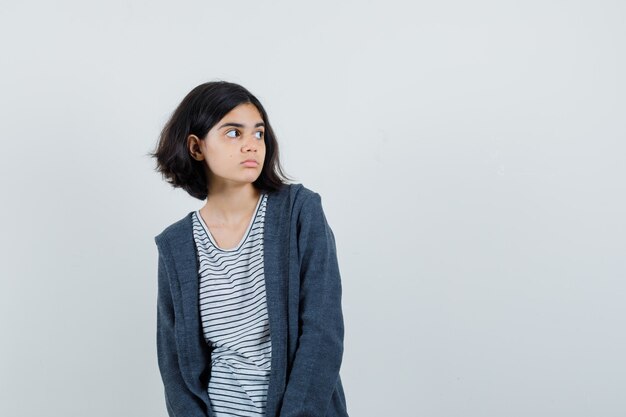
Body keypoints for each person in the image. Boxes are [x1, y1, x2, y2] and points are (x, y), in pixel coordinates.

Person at [149, 81, 349, 417]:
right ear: (196, 147)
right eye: (233, 133)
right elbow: (174, 366)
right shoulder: (177, 244)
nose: (252, 145)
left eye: (258, 134)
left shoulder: (299, 212)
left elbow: (322, 332)